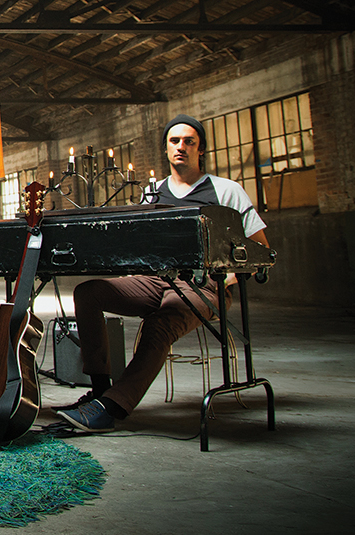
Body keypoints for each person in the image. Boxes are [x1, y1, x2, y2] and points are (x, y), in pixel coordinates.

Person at [54, 114, 271, 432]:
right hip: (155, 279)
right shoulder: (152, 192)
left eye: (189, 141)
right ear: (166, 149)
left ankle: (112, 407)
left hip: (204, 285)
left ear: (201, 149)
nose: (181, 147)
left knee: (160, 324)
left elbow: (260, 247)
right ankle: (100, 390)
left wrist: (229, 276)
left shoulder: (225, 191)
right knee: (87, 292)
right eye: (174, 141)